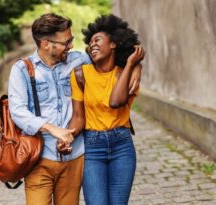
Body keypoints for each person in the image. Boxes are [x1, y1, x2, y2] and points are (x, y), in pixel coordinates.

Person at [8, 13, 141, 205]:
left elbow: (115, 55)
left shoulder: (78, 60)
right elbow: (18, 112)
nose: (71, 45)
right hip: (40, 158)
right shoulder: (22, 70)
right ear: (46, 44)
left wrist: (136, 66)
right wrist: (52, 129)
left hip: (74, 157)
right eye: (66, 42)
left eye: (71, 40)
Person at [70, 14, 145, 205]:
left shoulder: (128, 74)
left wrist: (131, 64)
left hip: (122, 145)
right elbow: (78, 117)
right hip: (92, 147)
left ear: (113, 44)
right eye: (90, 42)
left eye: (98, 40)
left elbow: (116, 101)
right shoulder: (80, 75)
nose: (92, 45)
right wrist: (66, 137)